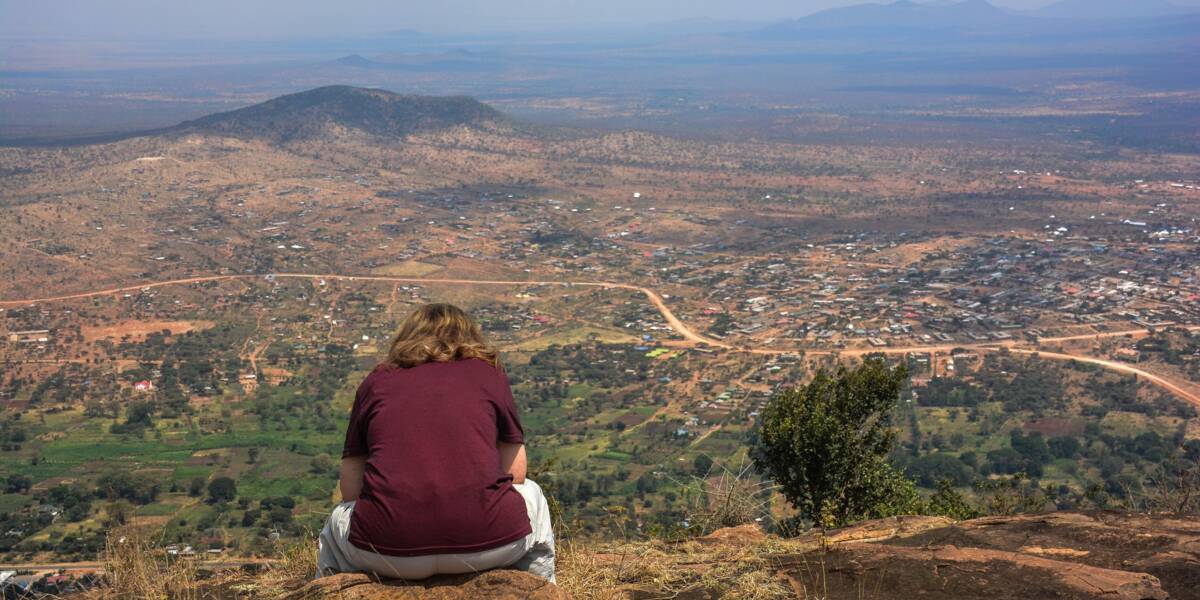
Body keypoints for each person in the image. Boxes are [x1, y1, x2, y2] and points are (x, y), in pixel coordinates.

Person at [317, 303, 556, 583]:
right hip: (490, 547)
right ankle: (538, 586)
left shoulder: (376, 382)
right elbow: (516, 474)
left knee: (337, 519)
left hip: (384, 551)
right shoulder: (488, 374)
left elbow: (350, 490)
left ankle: (330, 589)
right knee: (533, 493)